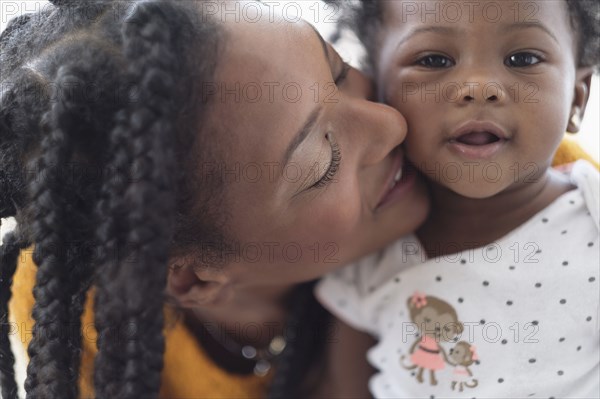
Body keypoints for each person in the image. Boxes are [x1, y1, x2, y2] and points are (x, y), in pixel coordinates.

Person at [0, 0, 432, 398]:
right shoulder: (73, 323)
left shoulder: (461, 205)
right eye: (323, 163)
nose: (391, 123)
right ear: (189, 278)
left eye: (338, 70)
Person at [316, 0, 600, 397]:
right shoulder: (369, 249)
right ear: (380, 96)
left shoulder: (592, 216)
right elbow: (341, 388)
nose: (479, 87)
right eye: (433, 59)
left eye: (523, 58)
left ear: (577, 98)